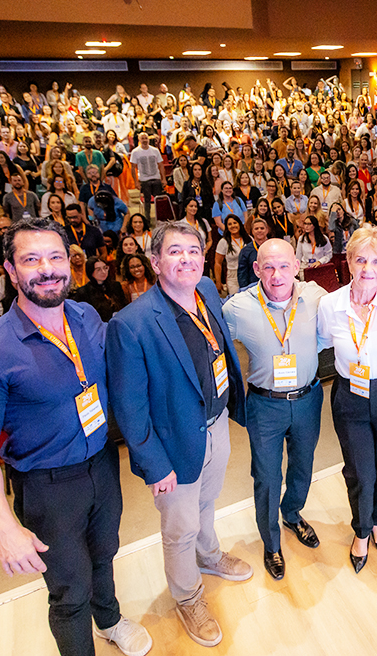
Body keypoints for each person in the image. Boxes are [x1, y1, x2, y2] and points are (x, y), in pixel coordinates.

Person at [0, 219, 152, 656]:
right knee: (69, 588)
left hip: (102, 464)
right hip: (47, 486)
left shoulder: (85, 316)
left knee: (104, 554)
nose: (46, 269)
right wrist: (4, 528)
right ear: (10, 269)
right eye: (31, 260)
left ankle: (111, 619)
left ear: (70, 262)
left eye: (55, 257)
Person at [106, 220, 252, 648]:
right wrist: (154, 465)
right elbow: (130, 409)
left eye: (193, 250)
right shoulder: (130, 323)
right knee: (179, 526)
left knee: (207, 503)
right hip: (173, 445)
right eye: (174, 251)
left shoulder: (205, 290)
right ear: (154, 262)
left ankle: (208, 556)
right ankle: (187, 595)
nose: (186, 258)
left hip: (216, 424)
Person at [222, 238, 326, 580]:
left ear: (297, 266)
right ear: (256, 270)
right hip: (265, 405)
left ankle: (293, 514)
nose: (276, 274)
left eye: (283, 266)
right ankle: (271, 543)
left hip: (308, 399)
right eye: (268, 266)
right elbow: (214, 345)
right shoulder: (237, 309)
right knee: (266, 477)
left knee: (303, 465)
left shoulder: (315, 296)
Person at [316, 225, 377, 573]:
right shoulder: (330, 304)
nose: (368, 269)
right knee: (359, 470)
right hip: (350, 395)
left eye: (376, 261)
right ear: (349, 263)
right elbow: (323, 342)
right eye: (360, 260)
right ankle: (361, 530)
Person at [73, 256, 127, 322]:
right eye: (98, 269)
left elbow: (124, 307)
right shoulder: (84, 292)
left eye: (105, 268)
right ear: (91, 272)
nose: (103, 272)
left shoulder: (116, 286)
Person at [130, 132, 166, 214]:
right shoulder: (135, 152)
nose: (144, 140)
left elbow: (161, 164)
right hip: (144, 180)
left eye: (146, 138)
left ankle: (160, 218)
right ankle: (147, 219)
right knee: (147, 200)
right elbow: (133, 167)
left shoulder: (155, 150)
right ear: (139, 140)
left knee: (159, 200)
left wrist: (163, 178)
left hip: (156, 178)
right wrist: (136, 181)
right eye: (142, 138)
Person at [214, 215, 250, 296]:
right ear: (227, 227)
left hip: (248, 275)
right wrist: (218, 282)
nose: (233, 226)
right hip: (233, 276)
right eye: (229, 224)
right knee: (235, 301)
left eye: (235, 223)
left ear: (239, 224)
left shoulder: (249, 239)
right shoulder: (224, 242)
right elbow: (217, 263)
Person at [237, 217, 269, 291]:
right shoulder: (245, 251)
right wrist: (245, 291)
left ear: (267, 230)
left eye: (262, 228)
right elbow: (242, 275)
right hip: (253, 289)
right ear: (252, 231)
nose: (259, 231)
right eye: (256, 229)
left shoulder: (274, 247)